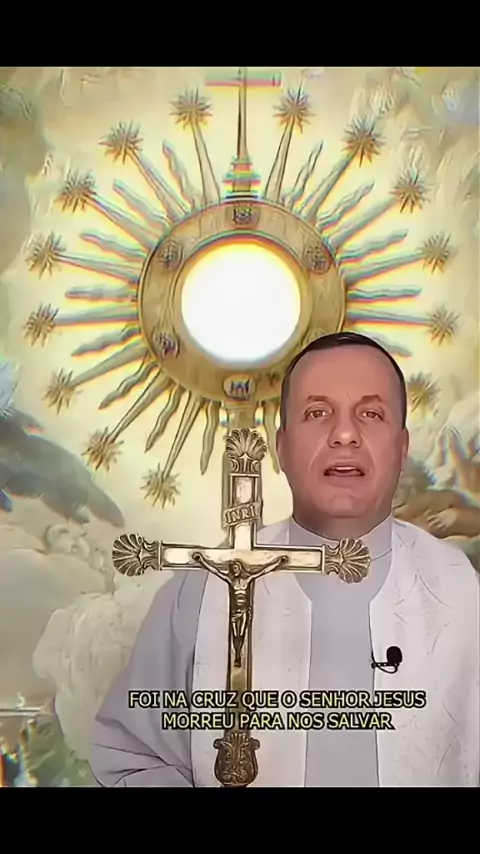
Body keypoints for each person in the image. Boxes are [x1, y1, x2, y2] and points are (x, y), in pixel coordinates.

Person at [90, 332, 479, 787]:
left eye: (371, 414)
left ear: (402, 448)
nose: (345, 434)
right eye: (318, 413)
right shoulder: (201, 592)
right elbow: (131, 757)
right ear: (283, 447)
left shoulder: (462, 590)